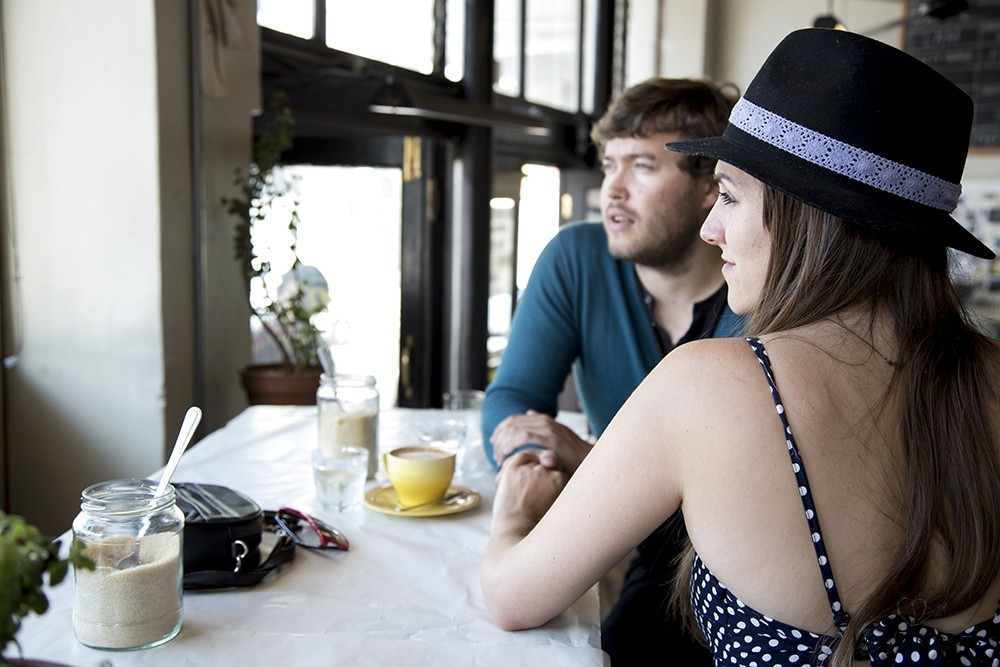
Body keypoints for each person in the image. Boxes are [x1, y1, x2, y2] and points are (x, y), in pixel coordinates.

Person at [482, 27, 1000, 667]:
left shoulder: (712, 385)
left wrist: (512, 516)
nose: (712, 228)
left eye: (728, 195)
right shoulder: (989, 374)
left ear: (810, 216)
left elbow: (511, 597)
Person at [481, 78, 743, 664]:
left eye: (642, 166)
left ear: (711, 186)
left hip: (739, 574)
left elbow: (738, 496)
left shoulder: (757, 292)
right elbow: (513, 398)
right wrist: (533, 463)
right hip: (650, 557)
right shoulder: (577, 258)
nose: (612, 191)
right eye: (609, 165)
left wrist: (586, 459)